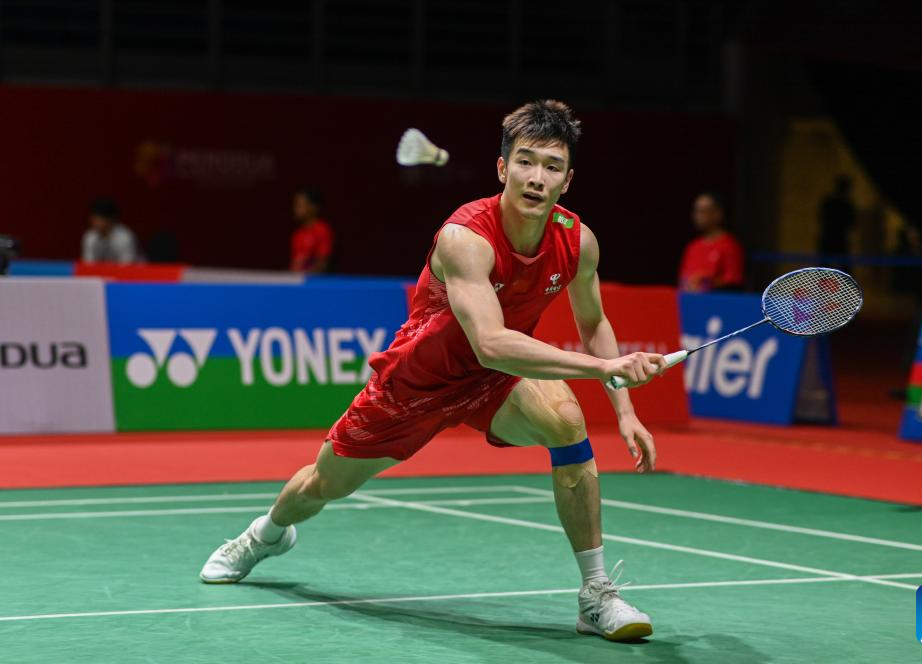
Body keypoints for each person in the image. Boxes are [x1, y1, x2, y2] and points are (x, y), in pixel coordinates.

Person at [200, 100, 665, 642]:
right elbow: (490, 343)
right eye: (525, 161)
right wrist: (605, 366)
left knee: (566, 421)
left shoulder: (577, 242)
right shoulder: (465, 238)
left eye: (552, 166)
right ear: (502, 168)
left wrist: (625, 410)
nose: (537, 178)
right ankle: (265, 535)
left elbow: (593, 321)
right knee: (323, 484)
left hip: (494, 381)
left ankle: (595, 593)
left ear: (568, 180)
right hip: (417, 383)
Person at [678, 191, 744, 292]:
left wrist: (707, 282)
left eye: (703, 212)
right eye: (696, 212)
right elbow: (683, 280)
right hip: (690, 300)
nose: (697, 217)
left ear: (718, 214)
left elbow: (733, 283)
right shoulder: (693, 246)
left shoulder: (729, 246)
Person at [290, 188, 334, 274]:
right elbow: (295, 263)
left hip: (314, 280)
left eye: (300, 205)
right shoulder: (298, 234)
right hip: (297, 278)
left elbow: (323, 263)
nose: (296, 209)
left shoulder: (322, 231)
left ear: (313, 207)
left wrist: (305, 273)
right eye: (295, 205)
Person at [81, 199, 139, 263]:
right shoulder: (90, 236)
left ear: (110, 219)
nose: (93, 222)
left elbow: (128, 264)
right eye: (93, 218)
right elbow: (88, 263)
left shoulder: (125, 237)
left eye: (98, 218)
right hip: (101, 269)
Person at [818, 176, 857, 258]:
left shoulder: (828, 202)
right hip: (840, 239)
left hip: (828, 237)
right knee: (842, 263)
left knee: (825, 263)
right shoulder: (847, 205)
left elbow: (821, 218)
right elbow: (853, 223)